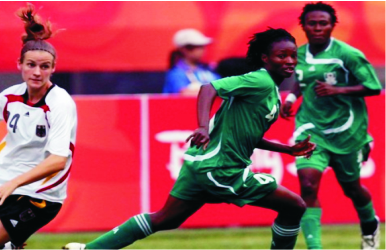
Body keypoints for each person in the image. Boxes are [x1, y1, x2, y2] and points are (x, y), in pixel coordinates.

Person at [64, 28, 316, 250]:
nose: (289, 61)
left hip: (202, 164)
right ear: (265, 58)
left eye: (293, 55)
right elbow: (209, 88)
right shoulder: (260, 80)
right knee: (294, 206)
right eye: (281, 55)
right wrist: (203, 127)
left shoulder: (269, 89)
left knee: (165, 219)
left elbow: (246, 135)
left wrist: (286, 149)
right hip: (221, 168)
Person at [0, 3, 77, 249]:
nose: (37, 72)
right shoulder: (12, 96)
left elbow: (58, 160)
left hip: (39, 196)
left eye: (44, 67)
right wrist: (7, 184)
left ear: (53, 69)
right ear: (20, 64)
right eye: (31, 65)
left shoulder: (60, 103)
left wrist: (14, 183)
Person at [280, 2, 382, 249]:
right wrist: (292, 98)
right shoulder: (299, 54)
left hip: (346, 131)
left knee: (353, 190)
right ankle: (315, 247)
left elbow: (374, 87)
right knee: (307, 184)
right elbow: (302, 80)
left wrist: (339, 89)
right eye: (312, 23)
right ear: (303, 26)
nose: (317, 28)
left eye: (322, 23)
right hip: (310, 128)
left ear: (332, 26)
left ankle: (370, 225)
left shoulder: (347, 54)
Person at [162, 28, 220, 95]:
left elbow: (222, 87)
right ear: (184, 49)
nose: (203, 50)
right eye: (198, 46)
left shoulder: (209, 69)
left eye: (203, 46)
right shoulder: (176, 73)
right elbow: (185, 93)